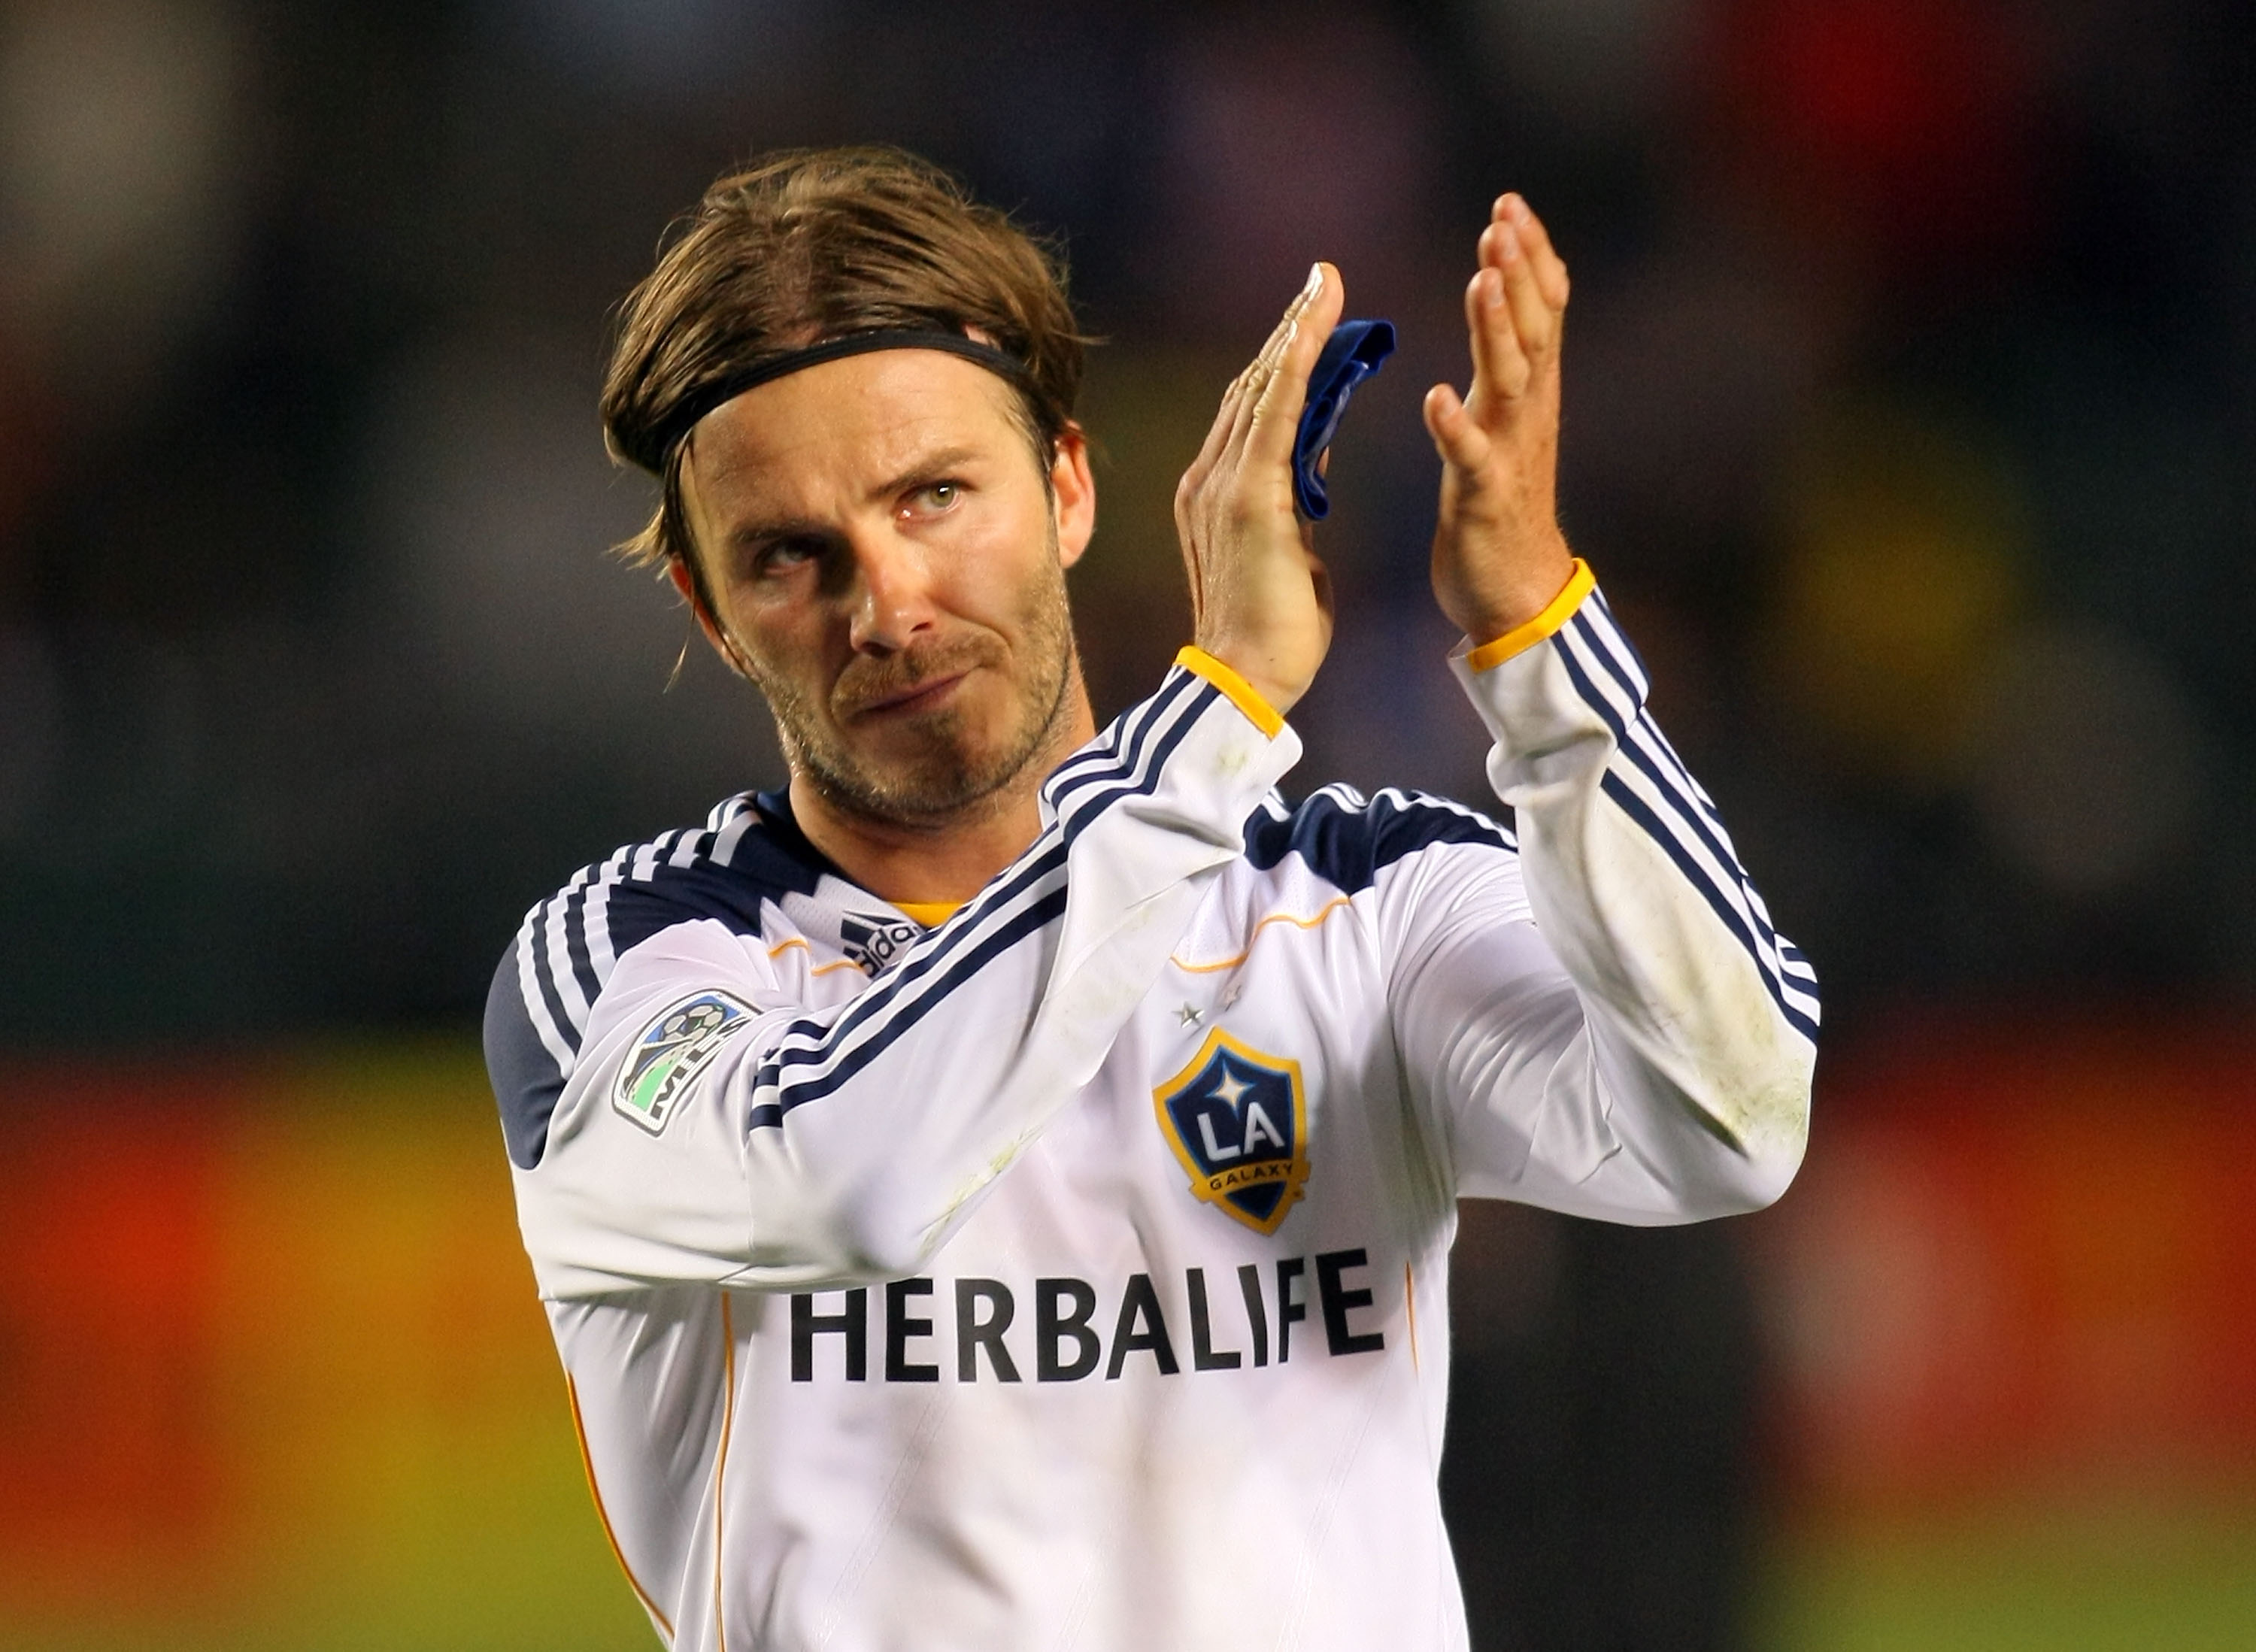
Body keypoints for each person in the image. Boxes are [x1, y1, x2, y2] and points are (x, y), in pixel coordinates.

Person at [484, 145, 1815, 1652]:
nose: (889, 605)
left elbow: (1731, 1123)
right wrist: (1221, 701)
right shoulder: (635, 972)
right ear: (711, 612)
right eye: (790, 556)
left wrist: (1540, 640)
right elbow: (856, 1180)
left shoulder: (1359, 906)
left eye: (935, 495)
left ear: (1067, 487)